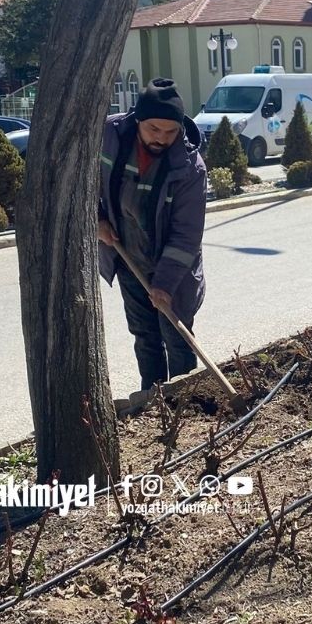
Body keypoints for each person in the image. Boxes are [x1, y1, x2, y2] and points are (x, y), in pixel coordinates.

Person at [97, 78, 208, 391]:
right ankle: (152, 398)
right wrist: (97, 219)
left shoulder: (190, 167)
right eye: (154, 129)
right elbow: (83, 181)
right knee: (145, 336)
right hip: (127, 256)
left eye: (171, 132)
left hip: (173, 269)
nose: (162, 138)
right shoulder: (108, 138)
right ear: (138, 120)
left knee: (177, 339)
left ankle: (185, 400)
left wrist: (164, 284)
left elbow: (186, 235)